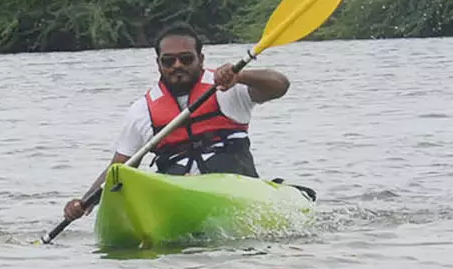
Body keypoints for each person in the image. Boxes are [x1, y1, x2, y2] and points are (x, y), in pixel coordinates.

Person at [62, 22, 290, 221]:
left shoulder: (227, 88)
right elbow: (120, 168)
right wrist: (84, 202)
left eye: (186, 59)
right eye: (168, 61)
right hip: (178, 200)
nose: (177, 65)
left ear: (201, 59)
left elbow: (280, 85)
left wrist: (241, 75)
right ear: (158, 63)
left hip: (237, 191)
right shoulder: (142, 111)